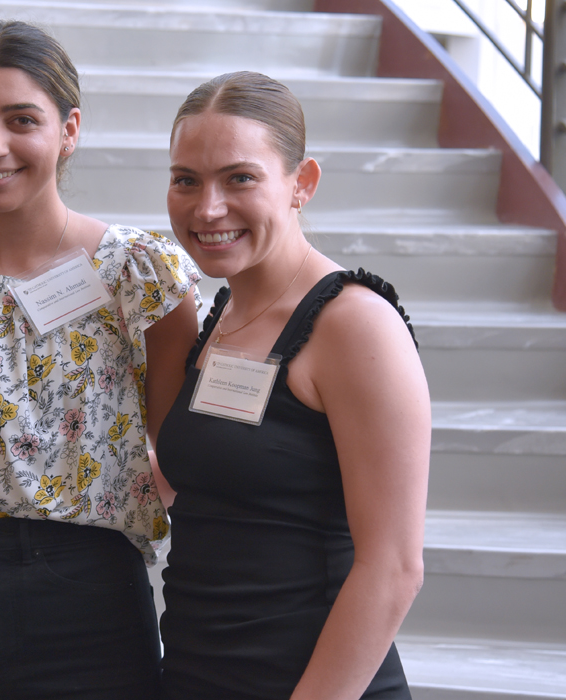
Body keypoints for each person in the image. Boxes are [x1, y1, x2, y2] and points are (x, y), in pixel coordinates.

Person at [0, 20, 202, 699]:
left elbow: (182, 449)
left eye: (22, 119)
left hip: (85, 593)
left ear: (68, 129)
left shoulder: (139, 274)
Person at [156, 71, 430, 700]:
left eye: (240, 178)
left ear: (301, 183)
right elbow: (213, 479)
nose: (208, 209)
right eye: (186, 180)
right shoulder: (220, 315)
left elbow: (393, 569)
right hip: (199, 672)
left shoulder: (354, 323)